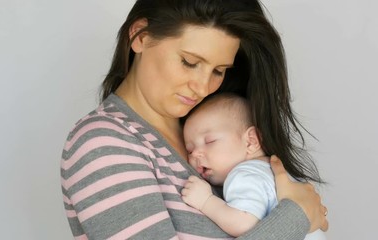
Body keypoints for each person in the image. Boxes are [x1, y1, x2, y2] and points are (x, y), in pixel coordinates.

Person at [60, 0, 328, 239]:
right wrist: (296, 216)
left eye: (219, 70)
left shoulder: (213, 129)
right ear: (140, 36)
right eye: (189, 62)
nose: (202, 88)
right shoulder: (103, 145)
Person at [181, 93, 326, 239]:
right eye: (190, 150)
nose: (195, 155)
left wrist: (206, 201)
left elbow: (243, 223)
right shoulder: (274, 171)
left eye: (209, 141)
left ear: (251, 141)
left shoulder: (244, 175)